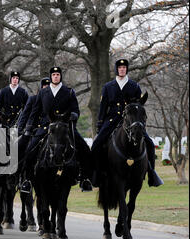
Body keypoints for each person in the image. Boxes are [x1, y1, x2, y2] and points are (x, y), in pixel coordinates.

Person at [91, 58, 163, 187]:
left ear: (126, 69)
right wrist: (100, 125)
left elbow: (138, 104)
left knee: (150, 144)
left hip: (132, 121)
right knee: (96, 144)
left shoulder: (134, 86)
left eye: (124, 68)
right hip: (112, 120)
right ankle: (95, 175)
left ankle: (151, 174)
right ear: (116, 69)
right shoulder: (108, 86)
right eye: (120, 68)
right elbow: (103, 107)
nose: (122, 69)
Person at [22, 66, 93, 192]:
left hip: (65, 126)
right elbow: (35, 111)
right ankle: (27, 180)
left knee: (84, 148)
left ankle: (85, 178)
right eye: (53, 75)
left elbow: (75, 109)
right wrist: (29, 127)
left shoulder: (69, 92)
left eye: (57, 75)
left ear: (60, 77)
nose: (55, 76)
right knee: (30, 150)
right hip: (46, 127)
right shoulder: (43, 92)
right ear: (51, 77)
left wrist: (74, 116)